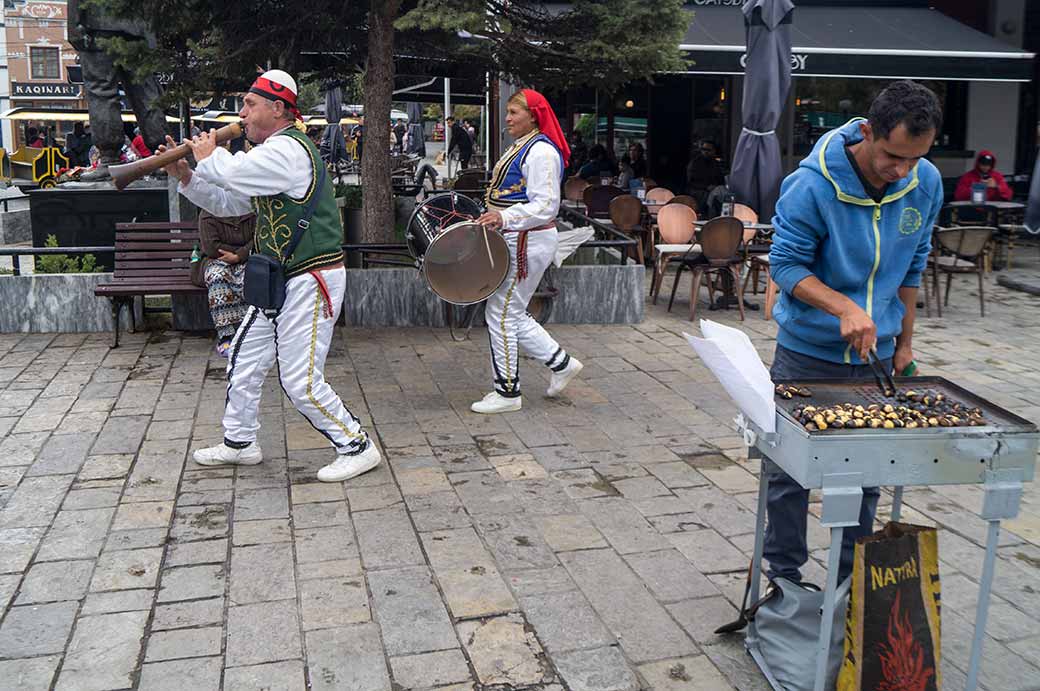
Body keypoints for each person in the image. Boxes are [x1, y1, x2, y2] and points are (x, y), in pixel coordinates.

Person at [162, 69, 380, 483]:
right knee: (242, 359)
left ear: (277, 109)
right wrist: (188, 177)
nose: (241, 113)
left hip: (311, 280)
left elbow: (232, 173)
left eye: (249, 104)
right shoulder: (271, 154)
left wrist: (208, 155)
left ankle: (356, 444)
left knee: (299, 380)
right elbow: (231, 203)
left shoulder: (287, 150)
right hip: (279, 279)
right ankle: (240, 441)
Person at [768, 80, 945, 584]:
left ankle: (850, 585)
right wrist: (842, 305)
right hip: (806, 352)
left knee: (866, 475)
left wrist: (905, 343)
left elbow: (913, 266)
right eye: (893, 156)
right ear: (868, 131)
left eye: (916, 159)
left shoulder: (924, 182)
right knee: (789, 477)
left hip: (876, 355)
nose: (902, 171)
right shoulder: (812, 185)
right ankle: (784, 578)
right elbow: (784, 266)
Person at [473, 89, 583, 414]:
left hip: (526, 240)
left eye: (513, 113)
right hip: (519, 237)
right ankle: (561, 364)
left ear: (533, 116)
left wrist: (504, 216)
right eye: (507, 112)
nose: (507, 119)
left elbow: (547, 205)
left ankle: (507, 392)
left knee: (500, 313)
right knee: (511, 311)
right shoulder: (528, 147)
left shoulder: (541, 153)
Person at [192, 210, 255, 357]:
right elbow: (211, 247)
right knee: (217, 278)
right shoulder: (207, 214)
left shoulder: (253, 210)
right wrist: (236, 253)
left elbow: (259, 239)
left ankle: (248, 333)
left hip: (248, 258)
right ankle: (226, 335)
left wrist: (239, 255)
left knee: (251, 278)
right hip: (215, 260)